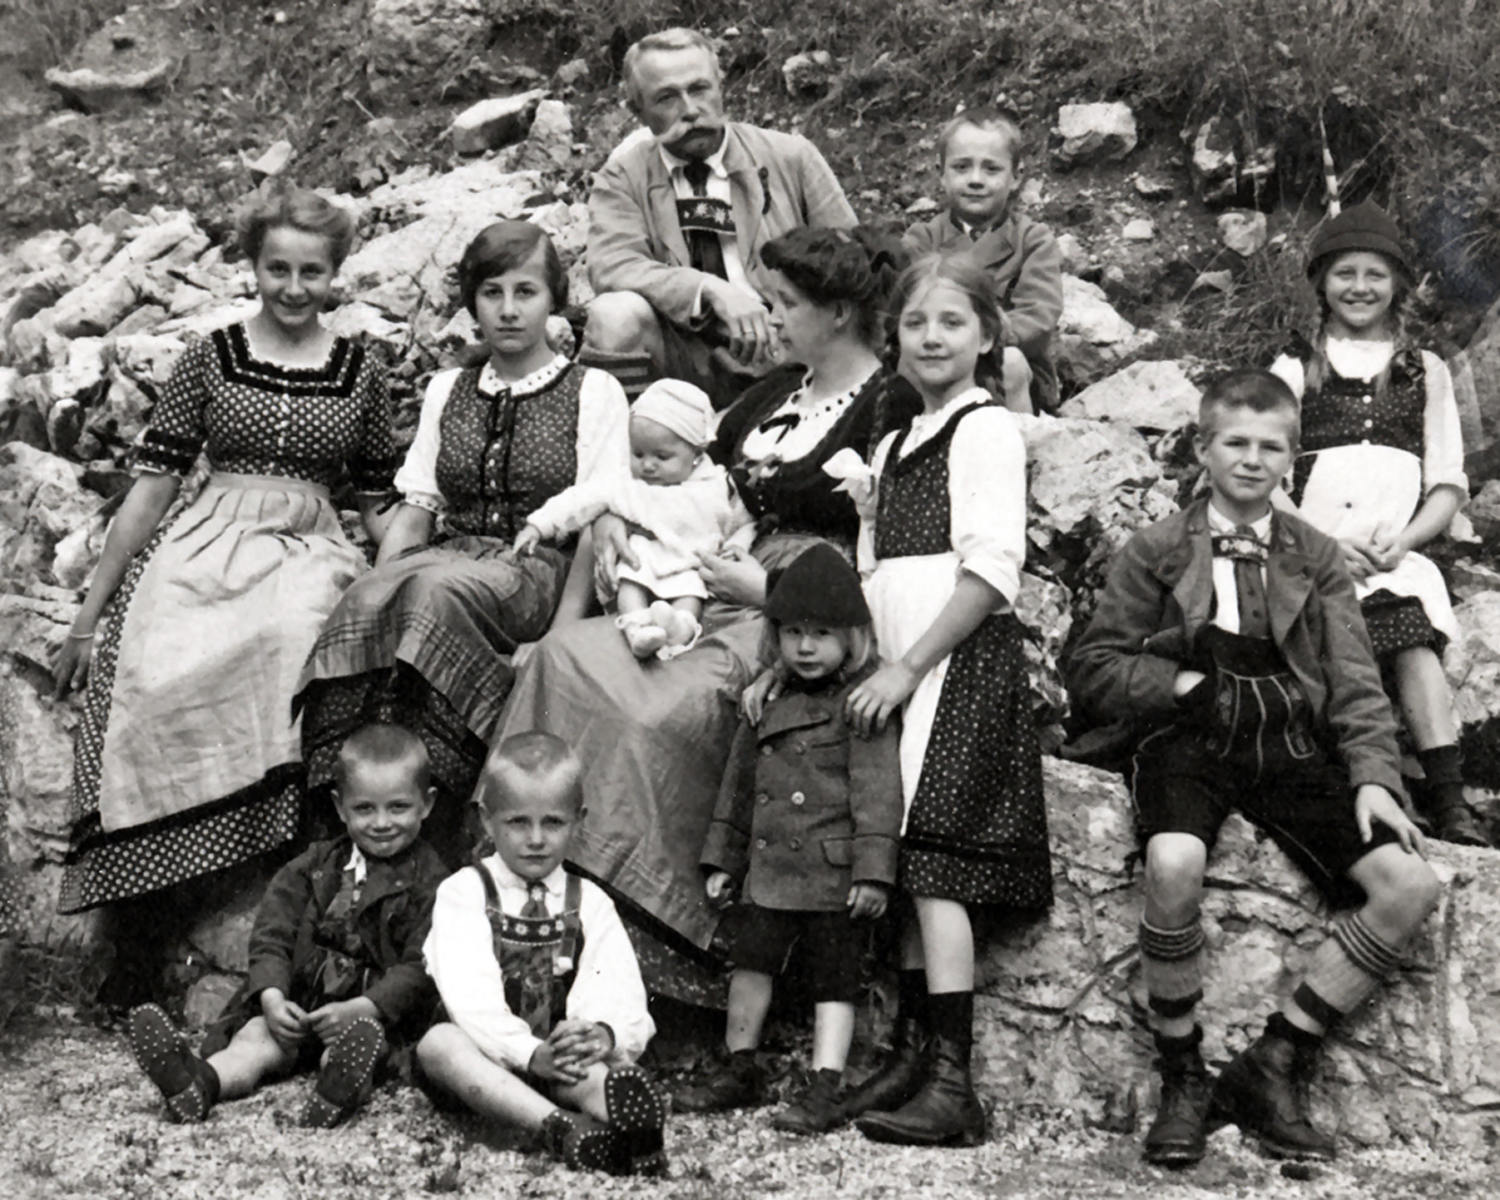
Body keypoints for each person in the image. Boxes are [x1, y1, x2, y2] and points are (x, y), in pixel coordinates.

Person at [493, 226, 915, 1005]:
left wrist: (775, 595)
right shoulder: (768, 394)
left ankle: (649, 947)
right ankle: (528, 910)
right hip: (694, 581)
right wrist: (619, 521)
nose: (770, 317)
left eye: (786, 304)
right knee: (565, 661)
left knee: (655, 714)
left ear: (840, 314)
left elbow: (886, 548)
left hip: (790, 615)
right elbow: (676, 486)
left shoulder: (890, 403)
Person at [1067, 368, 1441, 1166]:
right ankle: (1181, 1073)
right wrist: (1180, 684)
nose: (1250, 459)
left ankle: (1275, 1059)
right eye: (1234, 442)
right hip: (1189, 737)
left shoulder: (1316, 557)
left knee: (1409, 886)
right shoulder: (1157, 548)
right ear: (1202, 449)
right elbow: (1093, 667)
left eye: (1271, 447)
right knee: (1173, 859)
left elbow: (1353, 680)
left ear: (1292, 462)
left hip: (1288, 743)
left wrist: (1374, 775)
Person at [51, 181, 397, 1007]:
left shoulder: (361, 369)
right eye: (276, 267)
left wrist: (403, 574)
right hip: (205, 538)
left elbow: (378, 498)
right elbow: (152, 485)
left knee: (290, 641)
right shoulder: (210, 355)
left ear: (335, 274)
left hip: (307, 541)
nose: (292, 287)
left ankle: (291, 931)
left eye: (311, 271)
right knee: (151, 661)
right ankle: (139, 932)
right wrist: (90, 617)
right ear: (252, 266)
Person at [294, 221, 629, 865]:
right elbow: (419, 507)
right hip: (450, 555)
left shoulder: (594, 390)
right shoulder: (448, 389)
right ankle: (351, 812)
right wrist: (373, 589)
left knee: (430, 593)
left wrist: (559, 634)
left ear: (553, 300)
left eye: (526, 291)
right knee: (369, 602)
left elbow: (598, 513)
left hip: (536, 568)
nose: (508, 310)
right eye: (492, 292)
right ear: (470, 302)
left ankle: (439, 815)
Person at [832, 254, 1052, 1148]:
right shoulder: (894, 442)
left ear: (989, 337)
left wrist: (910, 666)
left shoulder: (985, 431)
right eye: (917, 323)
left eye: (953, 323)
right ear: (895, 337)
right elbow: (874, 569)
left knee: (939, 867)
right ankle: (915, 1055)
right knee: (909, 860)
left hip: (954, 664)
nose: (932, 337)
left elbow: (993, 571)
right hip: (897, 664)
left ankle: (956, 1082)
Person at [1269, 200, 1485, 845]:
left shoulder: (1424, 370)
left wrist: (1407, 540)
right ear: (1320, 284)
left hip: (1395, 556)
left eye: (1374, 274)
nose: (1359, 288)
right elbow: (1269, 485)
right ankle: (1370, 788)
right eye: (1344, 274)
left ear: (1398, 285)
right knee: (1335, 648)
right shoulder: (1294, 367)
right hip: (1313, 553)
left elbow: (1448, 483)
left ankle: (1450, 802)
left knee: (1412, 641)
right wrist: (1325, 543)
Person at [676, 544, 902, 1132]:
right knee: (750, 965)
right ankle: (739, 1065)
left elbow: (879, 793)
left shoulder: (863, 703)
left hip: (833, 876)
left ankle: (825, 1085)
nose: (805, 647)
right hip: (770, 870)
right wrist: (724, 858)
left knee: (836, 980)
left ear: (851, 638)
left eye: (822, 634)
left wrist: (874, 872)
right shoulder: (766, 699)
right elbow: (740, 784)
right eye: (793, 633)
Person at [125, 724, 446, 1127]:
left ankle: (336, 1091)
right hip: (299, 1009)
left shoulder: (434, 885)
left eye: (398, 807)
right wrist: (273, 998)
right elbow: (272, 934)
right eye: (365, 808)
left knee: (355, 1051)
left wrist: (367, 1007)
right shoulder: (311, 867)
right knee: (254, 1040)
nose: (381, 822)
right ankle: (200, 1084)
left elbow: (422, 965)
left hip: (369, 1016)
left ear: (427, 804)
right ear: (340, 806)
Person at [416, 733, 665, 1177]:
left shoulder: (588, 900)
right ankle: (558, 1127)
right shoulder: (464, 892)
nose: (535, 840)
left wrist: (598, 1034)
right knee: (439, 1045)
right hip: (486, 1063)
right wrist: (528, 1054)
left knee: (596, 1073)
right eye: (517, 823)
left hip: (558, 1065)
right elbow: (469, 996)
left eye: (552, 823)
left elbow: (617, 984)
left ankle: (634, 1132)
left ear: (578, 821)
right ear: (487, 821)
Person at [580, 26, 857, 407]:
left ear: (721, 87)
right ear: (638, 111)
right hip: (683, 356)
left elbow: (853, 256)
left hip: (788, 346)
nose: (690, 110)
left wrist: (787, 313)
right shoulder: (623, 177)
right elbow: (611, 265)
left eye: (699, 89)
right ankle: (635, 448)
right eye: (666, 98)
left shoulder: (791, 156)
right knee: (614, 315)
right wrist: (706, 290)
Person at [515, 378, 754, 660]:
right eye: (638, 454)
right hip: (644, 558)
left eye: (662, 456)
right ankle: (637, 627)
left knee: (691, 588)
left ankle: (680, 628)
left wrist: (738, 546)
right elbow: (580, 497)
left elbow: (743, 519)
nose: (648, 465)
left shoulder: (716, 486)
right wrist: (538, 525)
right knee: (632, 572)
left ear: (697, 454)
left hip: (691, 561)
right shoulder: (625, 483)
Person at [903, 108, 1063, 414]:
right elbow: (903, 312)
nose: (975, 180)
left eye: (991, 169)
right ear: (941, 173)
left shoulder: (1032, 240)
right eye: (962, 167)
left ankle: (1022, 451)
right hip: (937, 355)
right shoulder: (922, 239)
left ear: (1015, 177)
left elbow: (1039, 315)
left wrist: (981, 339)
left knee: (1011, 365)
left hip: (1009, 362)